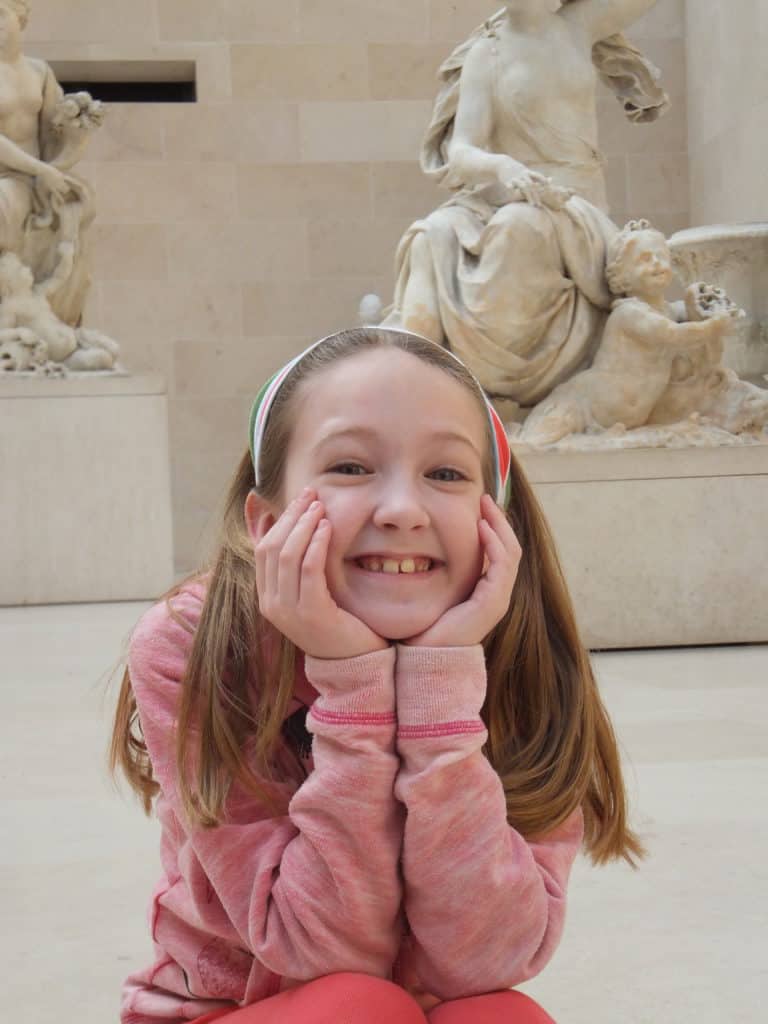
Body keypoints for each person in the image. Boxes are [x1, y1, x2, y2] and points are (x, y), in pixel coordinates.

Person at [110, 327, 645, 1024]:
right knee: (358, 1006)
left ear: (497, 521)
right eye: (351, 469)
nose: (401, 510)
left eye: (447, 474)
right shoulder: (193, 644)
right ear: (266, 520)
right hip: (234, 1012)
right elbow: (319, 950)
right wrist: (355, 682)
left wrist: (441, 693)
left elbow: (486, 964)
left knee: (502, 1018)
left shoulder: (519, 654)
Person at [383, 0, 669, 407]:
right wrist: (500, 166)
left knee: (518, 227)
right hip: (506, 193)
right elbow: (461, 149)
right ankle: (409, 386)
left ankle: (494, 374)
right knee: (433, 235)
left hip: (575, 204)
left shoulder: (577, 25)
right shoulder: (487, 52)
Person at [520, 222, 739, 444]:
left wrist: (700, 309)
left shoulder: (671, 311)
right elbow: (672, 334)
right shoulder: (629, 313)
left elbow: (706, 356)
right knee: (540, 440)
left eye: (661, 256)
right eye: (645, 259)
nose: (657, 263)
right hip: (589, 402)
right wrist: (714, 326)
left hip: (631, 414)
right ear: (622, 276)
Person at [0, 1, 103, 324]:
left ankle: (59, 316)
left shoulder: (39, 71)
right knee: (4, 202)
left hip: (41, 175)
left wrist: (78, 129)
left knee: (80, 200)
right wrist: (41, 171)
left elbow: (52, 134)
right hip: (9, 175)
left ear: (20, 17)